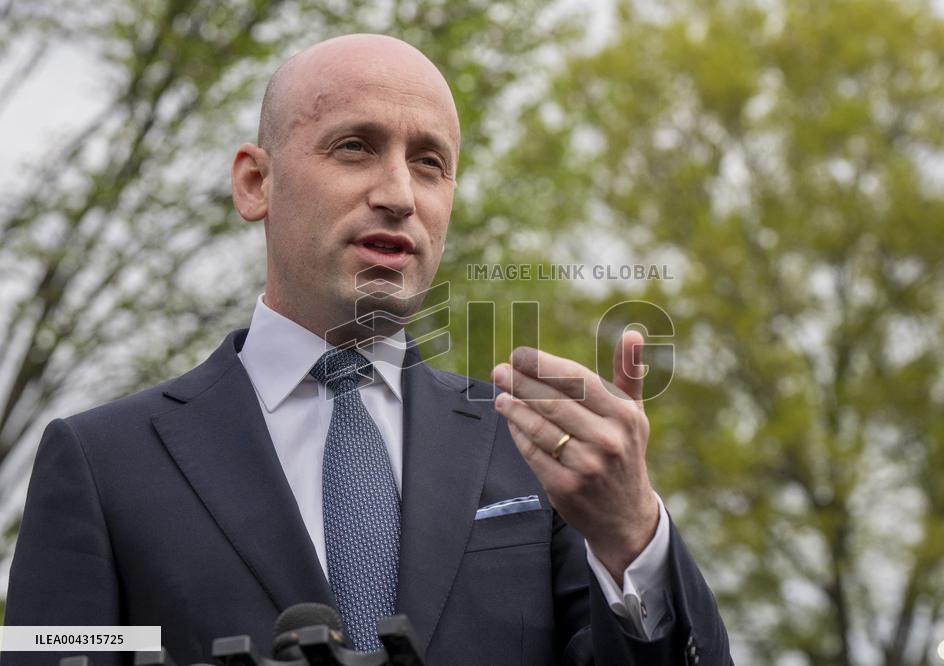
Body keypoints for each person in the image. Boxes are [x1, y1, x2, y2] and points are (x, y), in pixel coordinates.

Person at [4, 35, 732, 665]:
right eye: (355, 146)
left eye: (429, 163)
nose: (398, 194)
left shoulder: (537, 453)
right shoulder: (102, 463)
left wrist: (633, 536)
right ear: (256, 183)